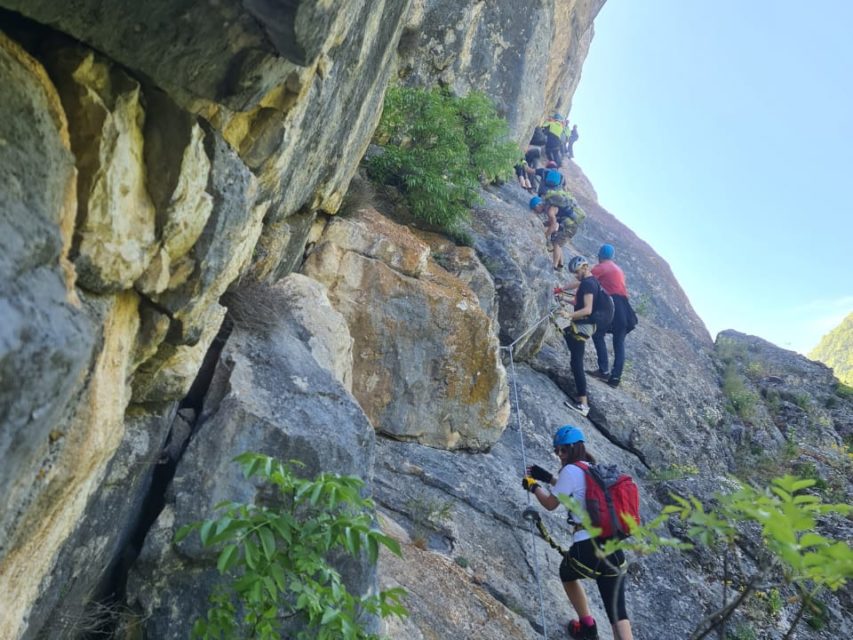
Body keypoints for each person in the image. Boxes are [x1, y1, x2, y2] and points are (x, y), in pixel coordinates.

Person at [523, 425, 634, 640]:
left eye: (562, 450)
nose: (559, 455)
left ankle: (587, 627)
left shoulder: (570, 470)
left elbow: (550, 504)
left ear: (573, 448)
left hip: (587, 547)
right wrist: (547, 478)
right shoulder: (593, 469)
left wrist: (533, 486)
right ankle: (591, 629)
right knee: (618, 613)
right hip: (612, 547)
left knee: (567, 572)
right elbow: (577, 497)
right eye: (557, 451)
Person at [559, 256, 601, 416]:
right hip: (583, 324)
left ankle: (583, 404)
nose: (576, 276)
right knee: (568, 339)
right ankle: (582, 401)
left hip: (584, 325)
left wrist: (569, 315)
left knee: (576, 363)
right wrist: (564, 299)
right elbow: (580, 304)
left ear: (585, 267)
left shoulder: (589, 284)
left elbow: (588, 309)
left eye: (577, 272)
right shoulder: (588, 283)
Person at [589, 244, 636, 388]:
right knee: (619, 343)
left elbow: (586, 281)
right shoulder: (618, 270)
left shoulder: (600, 267)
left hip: (613, 307)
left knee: (597, 334)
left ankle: (603, 370)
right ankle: (615, 378)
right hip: (625, 309)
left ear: (599, 256)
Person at [529, 191, 579, 271]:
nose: (536, 211)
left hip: (570, 226)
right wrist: (544, 224)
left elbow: (553, 226)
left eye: (535, 209)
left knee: (557, 244)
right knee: (558, 242)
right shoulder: (550, 208)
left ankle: (554, 266)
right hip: (568, 225)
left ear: (539, 205)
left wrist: (544, 236)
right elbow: (552, 222)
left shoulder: (550, 210)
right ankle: (560, 265)